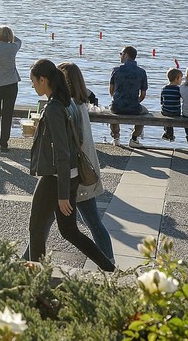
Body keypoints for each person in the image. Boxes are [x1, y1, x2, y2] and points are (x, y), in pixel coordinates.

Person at [25, 58, 116, 272]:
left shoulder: (56, 107)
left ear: (43, 79)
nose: (32, 85)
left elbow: (63, 152)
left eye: (33, 81)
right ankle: (109, 267)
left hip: (55, 179)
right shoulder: (70, 103)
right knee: (70, 231)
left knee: (36, 229)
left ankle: (36, 279)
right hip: (70, 177)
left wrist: (63, 194)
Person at [59, 61, 113, 260]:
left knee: (43, 223)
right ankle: (109, 261)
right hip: (86, 169)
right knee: (92, 222)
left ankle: (108, 262)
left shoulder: (68, 106)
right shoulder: (80, 102)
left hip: (76, 173)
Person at [108, 45, 149, 145]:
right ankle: (134, 138)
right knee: (146, 113)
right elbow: (143, 95)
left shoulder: (116, 70)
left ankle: (116, 138)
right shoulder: (142, 72)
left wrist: (119, 98)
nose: (120, 56)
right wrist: (134, 101)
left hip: (117, 107)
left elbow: (111, 91)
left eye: (121, 54)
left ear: (126, 55)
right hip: (134, 108)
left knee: (112, 109)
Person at [159, 68, 188, 150]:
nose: (181, 80)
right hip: (176, 112)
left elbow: (162, 101)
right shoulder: (179, 89)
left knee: (166, 114)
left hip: (165, 111)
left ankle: (168, 133)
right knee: (186, 122)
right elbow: (184, 99)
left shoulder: (164, 88)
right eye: (181, 78)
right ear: (177, 78)